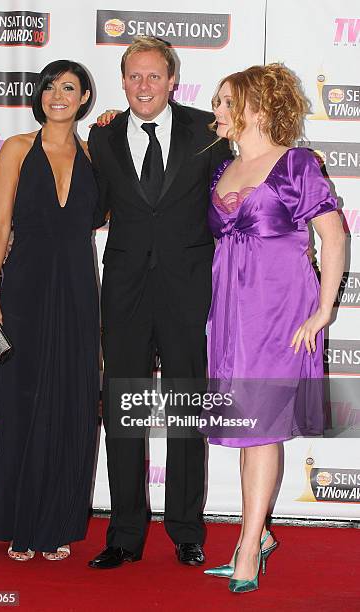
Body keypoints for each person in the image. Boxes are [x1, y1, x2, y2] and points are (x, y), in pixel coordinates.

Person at [87, 36, 232, 569]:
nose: (143, 86)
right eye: (134, 76)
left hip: (186, 291)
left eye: (154, 76)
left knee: (186, 413)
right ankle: (124, 534)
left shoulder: (208, 132)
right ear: (122, 80)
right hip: (124, 291)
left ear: (173, 81)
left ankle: (187, 530)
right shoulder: (100, 139)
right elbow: (93, 209)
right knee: (123, 412)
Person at [201, 64, 345, 592]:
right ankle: (252, 536)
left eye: (224, 101)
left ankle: (247, 550)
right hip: (233, 313)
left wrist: (324, 309)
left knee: (260, 427)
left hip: (281, 308)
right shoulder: (224, 167)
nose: (215, 110)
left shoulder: (296, 163)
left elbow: (333, 238)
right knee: (247, 428)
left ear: (256, 107)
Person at [0, 60, 103, 561]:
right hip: (25, 289)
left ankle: (57, 522)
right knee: (24, 402)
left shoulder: (95, 155)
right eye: (49, 86)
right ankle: (22, 520)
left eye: (68, 87)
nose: (56, 94)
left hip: (77, 290)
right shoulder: (16, 149)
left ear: (85, 97)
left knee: (72, 403)